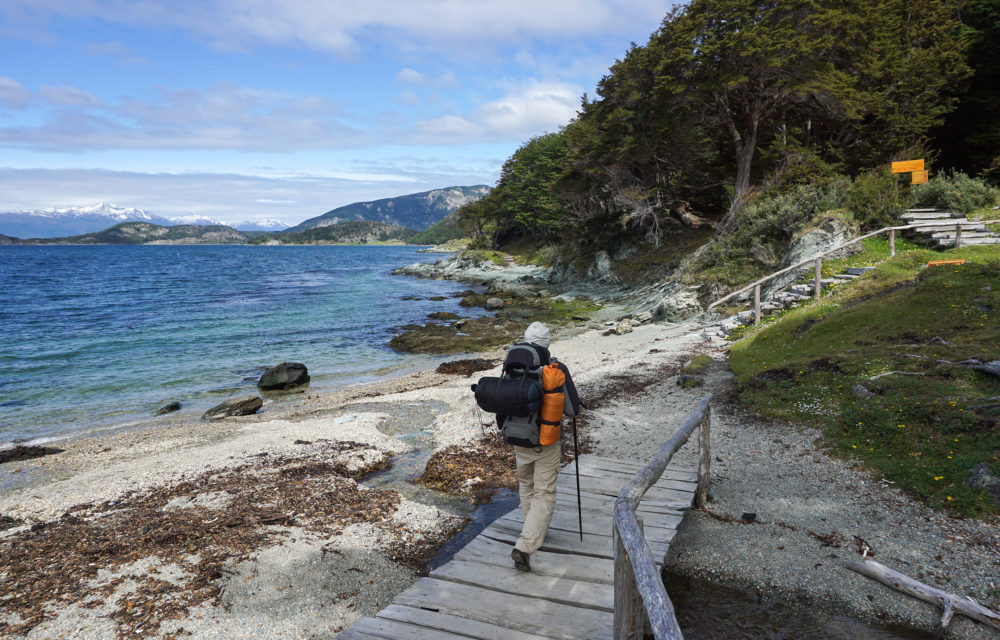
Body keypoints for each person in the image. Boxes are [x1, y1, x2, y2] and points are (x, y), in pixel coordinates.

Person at [508, 321, 581, 572]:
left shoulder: (511, 365)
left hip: (518, 438)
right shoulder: (555, 368)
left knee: (527, 486)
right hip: (546, 440)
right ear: (547, 346)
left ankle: (532, 531)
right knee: (544, 492)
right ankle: (526, 546)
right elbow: (573, 410)